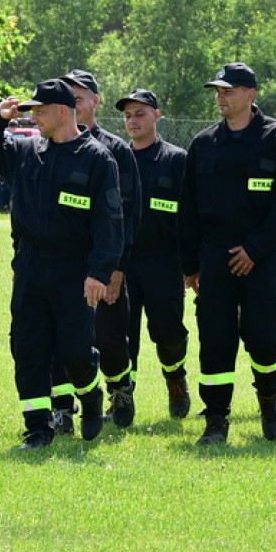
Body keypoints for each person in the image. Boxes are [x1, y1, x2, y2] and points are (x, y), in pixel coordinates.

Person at [0, 79, 122, 449]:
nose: (34, 117)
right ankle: (38, 429)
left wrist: (99, 273)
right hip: (29, 266)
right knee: (28, 348)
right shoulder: (27, 151)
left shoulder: (97, 158)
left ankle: (90, 396)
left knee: (75, 351)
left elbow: (109, 220)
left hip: (73, 269)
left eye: (40, 111)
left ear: (62, 111)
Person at [179, 62, 276, 444]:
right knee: (215, 338)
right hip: (215, 255)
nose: (221, 97)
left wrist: (255, 249)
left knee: (264, 336)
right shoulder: (203, 144)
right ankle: (216, 419)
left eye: (228, 91)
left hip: (263, 256)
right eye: (218, 91)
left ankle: (269, 400)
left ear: (250, 94)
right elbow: (188, 208)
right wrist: (191, 265)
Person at [53, 69, 141, 429]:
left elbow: (128, 213)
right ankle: (62, 409)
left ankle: (120, 391)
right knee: (59, 338)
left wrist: (116, 268)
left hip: (103, 264)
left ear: (95, 101)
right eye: (68, 97)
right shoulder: (51, 146)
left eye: (79, 97)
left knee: (109, 337)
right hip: (61, 265)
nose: (73, 103)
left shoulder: (115, 150)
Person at [116, 88, 192, 419]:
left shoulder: (176, 160)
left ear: (157, 116)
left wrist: (190, 263)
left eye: (140, 114)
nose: (133, 121)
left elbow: (191, 216)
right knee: (122, 335)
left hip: (164, 263)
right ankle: (122, 397)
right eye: (128, 115)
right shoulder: (116, 159)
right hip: (123, 265)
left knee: (168, 333)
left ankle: (176, 380)